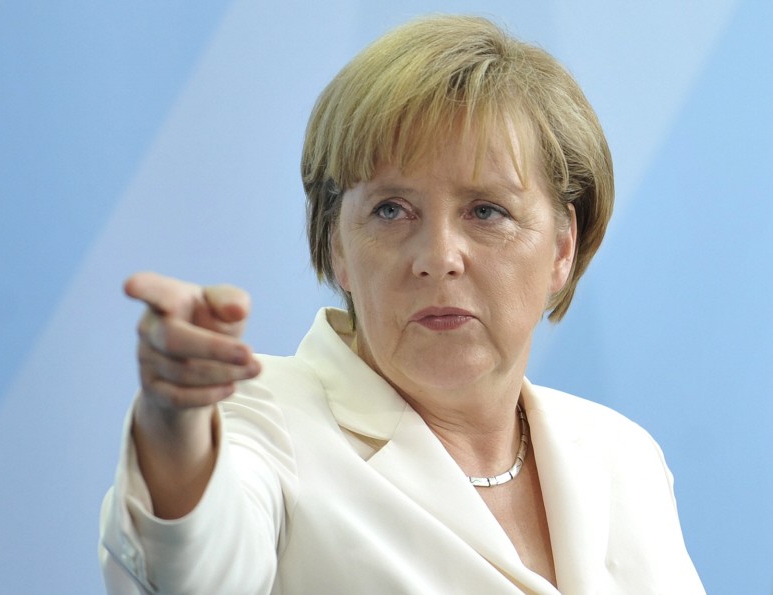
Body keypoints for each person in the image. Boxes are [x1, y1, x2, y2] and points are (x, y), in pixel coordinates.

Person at [99, 14, 704, 594]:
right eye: (391, 210)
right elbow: (190, 571)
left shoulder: (622, 456)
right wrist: (174, 424)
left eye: (486, 211)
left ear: (562, 247)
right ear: (337, 244)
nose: (438, 257)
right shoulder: (261, 419)